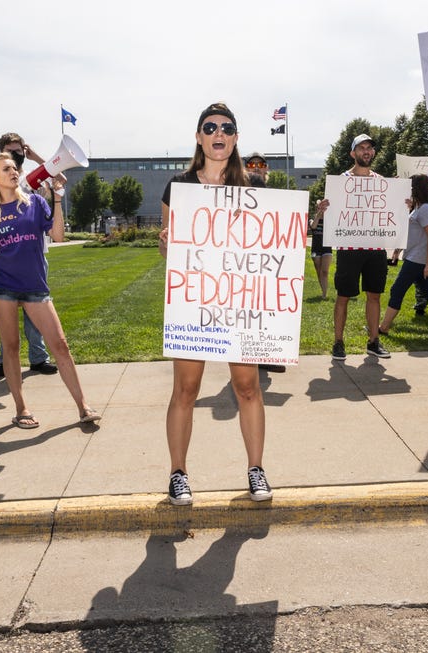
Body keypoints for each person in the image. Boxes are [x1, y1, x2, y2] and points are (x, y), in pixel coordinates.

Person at [158, 102, 272, 506]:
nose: (218, 133)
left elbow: (271, 243)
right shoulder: (178, 187)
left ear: (236, 137)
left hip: (239, 304)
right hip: (195, 304)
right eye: (210, 127)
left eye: (226, 127)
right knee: (185, 391)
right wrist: (166, 244)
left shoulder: (253, 187)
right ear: (199, 136)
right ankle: (178, 473)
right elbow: (169, 249)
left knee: (247, 388)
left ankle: (256, 469)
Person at [0, 153, 100, 430]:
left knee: (61, 346)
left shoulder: (35, 203)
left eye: (15, 167)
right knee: (11, 348)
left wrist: (57, 197)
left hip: (35, 286)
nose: (14, 171)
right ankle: (21, 408)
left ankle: (83, 406)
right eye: (6, 168)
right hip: (2, 286)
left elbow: (57, 236)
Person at [0, 133, 60, 378]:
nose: (15, 156)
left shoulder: (28, 176)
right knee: (6, 316)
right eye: (10, 151)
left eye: (19, 151)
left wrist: (34, 155)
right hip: (6, 256)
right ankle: (4, 360)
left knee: (35, 311)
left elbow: (60, 178)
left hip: (35, 254)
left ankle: (38, 358)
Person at [315, 134, 390, 361]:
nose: (366, 151)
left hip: (376, 248)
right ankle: (338, 342)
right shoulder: (341, 181)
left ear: (373, 153)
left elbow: (390, 211)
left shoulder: (382, 182)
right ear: (353, 153)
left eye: (369, 148)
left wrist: (403, 204)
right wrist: (321, 208)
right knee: (343, 296)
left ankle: (373, 341)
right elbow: (324, 216)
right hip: (349, 249)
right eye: (361, 148)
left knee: (374, 296)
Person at [377, 174, 428, 338]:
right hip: (416, 257)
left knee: (397, 290)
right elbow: (413, 233)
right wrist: (399, 249)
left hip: (418, 260)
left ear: (416, 189)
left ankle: (384, 327)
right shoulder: (419, 207)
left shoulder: (426, 209)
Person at [242, 152, 286, 374]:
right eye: (251, 164)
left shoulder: (275, 196)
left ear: (267, 168)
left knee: (265, 307)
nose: (256, 167)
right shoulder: (235, 192)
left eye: (261, 164)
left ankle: (264, 353)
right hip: (242, 259)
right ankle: (249, 355)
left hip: (267, 258)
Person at [308, 198, 334, 300]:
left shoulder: (329, 220)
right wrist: (319, 214)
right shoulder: (312, 219)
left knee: (325, 272)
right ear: (317, 209)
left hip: (327, 249)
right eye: (319, 207)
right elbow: (313, 226)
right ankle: (323, 290)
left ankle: (324, 294)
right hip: (315, 250)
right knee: (319, 271)